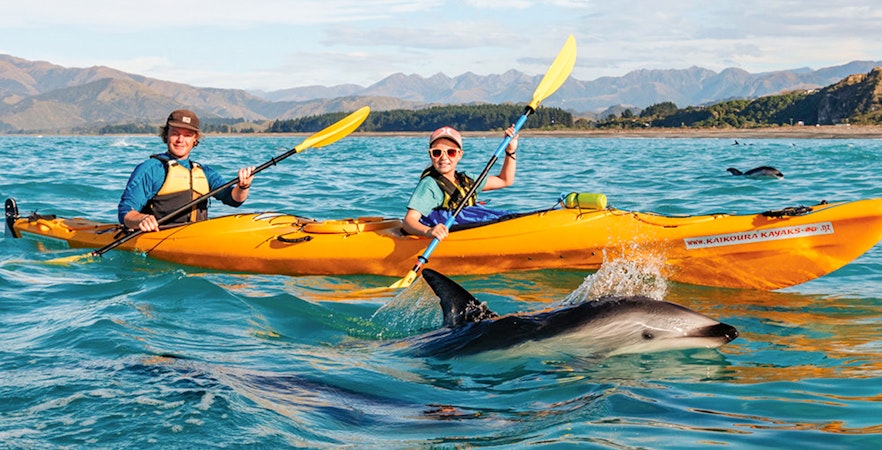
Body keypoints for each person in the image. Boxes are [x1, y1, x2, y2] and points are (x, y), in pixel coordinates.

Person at [117, 109, 255, 232]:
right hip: (157, 237)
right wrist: (141, 219)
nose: (180, 140)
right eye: (175, 133)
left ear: (195, 139)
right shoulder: (151, 169)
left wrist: (243, 186)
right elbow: (126, 212)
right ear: (166, 135)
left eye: (187, 135)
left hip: (194, 237)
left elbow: (234, 199)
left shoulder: (205, 172)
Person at [402, 125, 519, 241]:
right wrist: (428, 231)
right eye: (437, 152)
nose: (444, 157)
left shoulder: (466, 180)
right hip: (449, 232)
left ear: (460, 155)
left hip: (470, 226)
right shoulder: (429, 185)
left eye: (451, 152)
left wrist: (510, 151)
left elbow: (505, 180)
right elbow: (409, 221)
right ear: (430, 155)